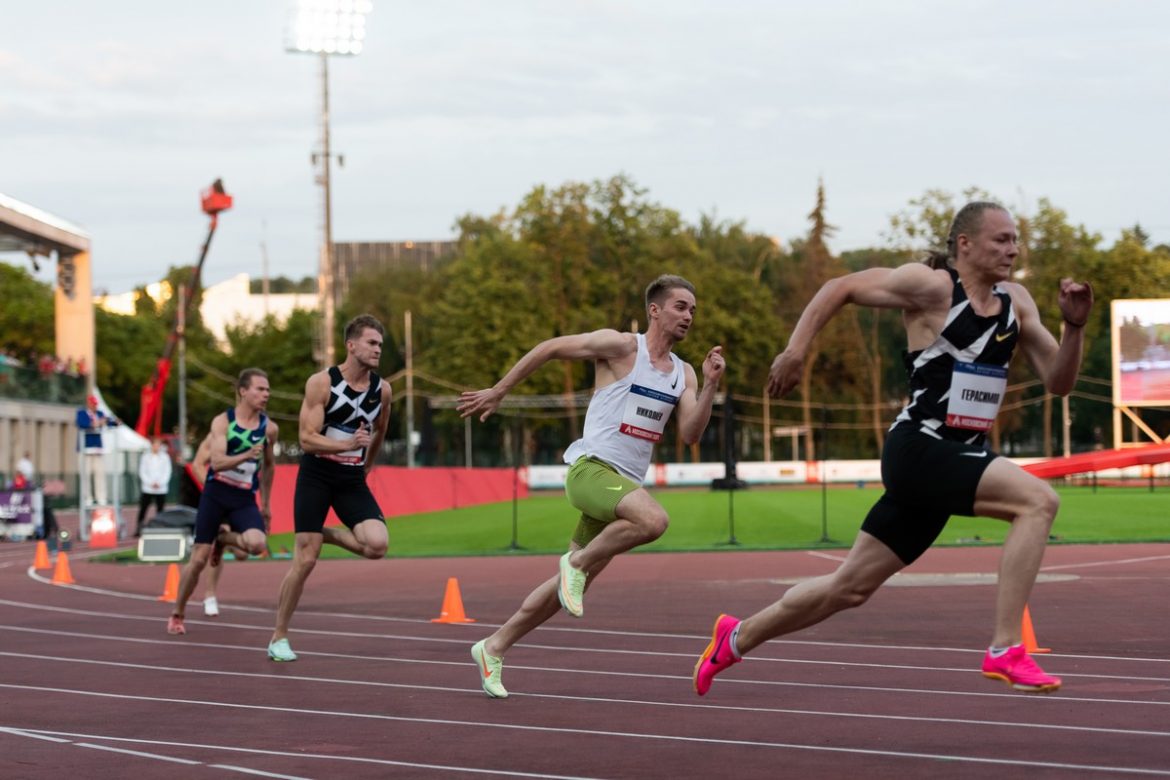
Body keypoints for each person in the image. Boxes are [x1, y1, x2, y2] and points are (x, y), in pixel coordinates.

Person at [693, 202, 1093, 697]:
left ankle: (735, 637)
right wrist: (796, 350)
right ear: (964, 244)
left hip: (951, 460)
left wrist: (1074, 329)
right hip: (919, 450)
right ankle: (1006, 648)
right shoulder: (930, 287)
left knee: (848, 588)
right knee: (1038, 500)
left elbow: (1059, 382)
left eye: (1016, 240)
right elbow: (837, 287)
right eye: (1001, 239)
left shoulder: (1018, 302)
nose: (1013, 249)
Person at [459, 274, 725, 698]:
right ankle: (577, 567)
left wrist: (710, 384)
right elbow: (549, 349)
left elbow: (691, 433)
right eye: (680, 306)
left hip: (620, 489)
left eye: (693, 309)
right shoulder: (621, 347)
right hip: (591, 472)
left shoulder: (684, 374)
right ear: (654, 310)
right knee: (654, 520)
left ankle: (493, 646)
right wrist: (500, 390)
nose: (689, 315)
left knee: (561, 591)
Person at [266, 314, 392, 662]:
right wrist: (349, 444)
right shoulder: (321, 383)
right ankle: (279, 636)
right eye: (371, 342)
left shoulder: (383, 390)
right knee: (305, 560)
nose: (377, 349)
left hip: (351, 478)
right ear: (351, 345)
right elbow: (307, 440)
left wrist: (366, 464)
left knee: (378, 545)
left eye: (380, 344)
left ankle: (323, 532)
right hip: (317, 475)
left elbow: (381, 430)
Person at [167, 368, 278, 636]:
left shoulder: (269, 428)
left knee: (256, 544)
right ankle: (177, 614)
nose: (266, 394)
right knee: (198, 561)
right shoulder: (223, 422)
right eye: (260, 389)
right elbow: (215, 462)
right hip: (216, 494)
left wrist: (266, 505)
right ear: (242, 391)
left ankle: (224, 539)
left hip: (243, 498)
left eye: (267, 390)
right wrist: (246, 455)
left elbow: (270, 467)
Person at [76, 395, 109, 504]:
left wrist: (108, 422)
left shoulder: (100, 414)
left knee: (99, 473)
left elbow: (107, 422)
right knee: (86, 474)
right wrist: (96, 423)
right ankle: (87, 498)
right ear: (89, 404)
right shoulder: (81, 413)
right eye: (93, 404)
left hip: (97, 449)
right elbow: (82, 424)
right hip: (86, 449)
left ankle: (101, 497)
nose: (95, 406)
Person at [136, 438, 172, 536]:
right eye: (155, 444)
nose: (156, 447)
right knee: (143, 507)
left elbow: (167, 472)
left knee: (160, 509)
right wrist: (149, 483)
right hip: (147, 488)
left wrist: (160, 483)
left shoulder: (165, 457)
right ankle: (139, 528)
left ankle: (160, 527)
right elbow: (142, 471)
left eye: (158, 445)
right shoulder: (145, 457)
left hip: (161, 488)